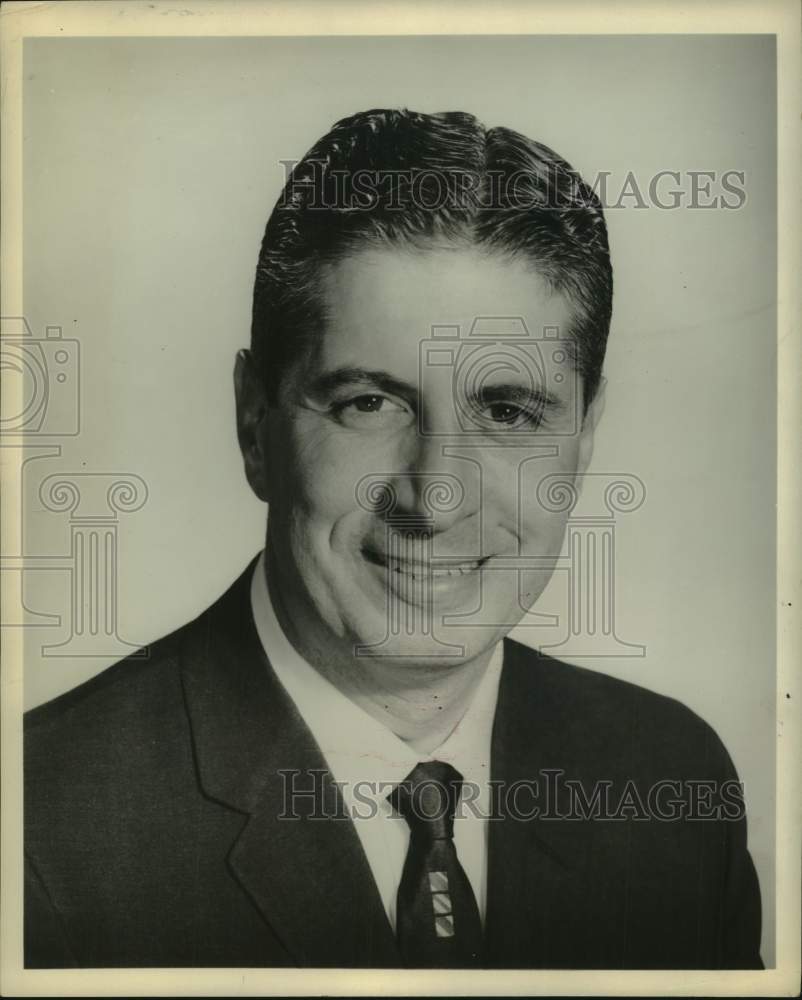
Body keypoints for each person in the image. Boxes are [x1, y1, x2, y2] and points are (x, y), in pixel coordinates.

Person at [24, 109, 763, 969]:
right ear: (254, 424)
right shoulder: (40, 829)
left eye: (508, 412)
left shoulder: (670, 779)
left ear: (584, 435)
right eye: (369, 403)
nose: (435, 496)